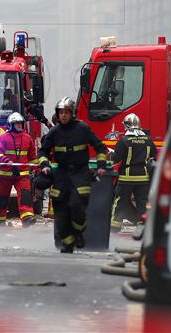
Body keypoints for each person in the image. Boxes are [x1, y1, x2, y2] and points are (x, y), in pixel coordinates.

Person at [37, 97, 108, 253]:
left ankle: (78, 233)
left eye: (66, 112)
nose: (63, 116)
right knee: (60, 213)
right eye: (61, 113)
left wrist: (102, 165)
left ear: (72, 113)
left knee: (77, 207)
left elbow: (101, 147)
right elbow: (43, 151)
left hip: (80, 173)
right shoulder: (54, 132)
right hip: (61, 175)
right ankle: (68, 244)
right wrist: (45, 165)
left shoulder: (83, 129)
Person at [109, 113, 156, 232]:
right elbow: (153, 154)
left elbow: (115, 158)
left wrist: (109, 153)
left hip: (127, 177)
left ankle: (114, 227)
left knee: (120, 201)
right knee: (142, 203)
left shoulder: (124, 140)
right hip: (143, 177)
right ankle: (143, 227)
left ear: (126, 125)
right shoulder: (148, 139)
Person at [0, 112, 38, 227]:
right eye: (16, 123)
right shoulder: (3, 138)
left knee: (25, 197)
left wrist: (36, 170)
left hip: (22, 175)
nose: (19, 125)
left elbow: (32, 157)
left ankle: (27, 219)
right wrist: (7, 161)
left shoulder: (28, 138)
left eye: (20, 123)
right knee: (2, 199)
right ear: (10, 125)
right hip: (5, 174)